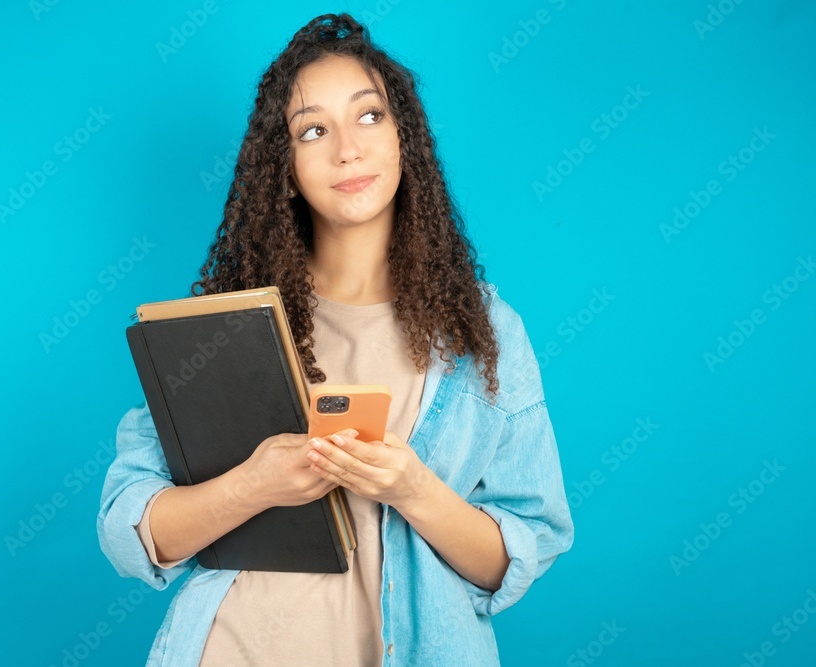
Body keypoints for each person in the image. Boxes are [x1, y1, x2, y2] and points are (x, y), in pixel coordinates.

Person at [98, 12, 574, 666]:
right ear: (286, 168)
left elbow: (521, 552)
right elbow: (129, 527)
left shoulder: (482, 331)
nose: (347, 148)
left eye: (369, 116)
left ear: (406, 136)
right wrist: (254, 485)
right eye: (313, 129)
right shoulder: (224, 326)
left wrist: (414, 488)